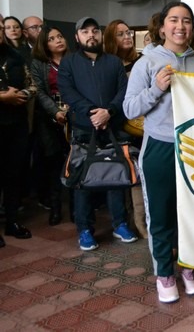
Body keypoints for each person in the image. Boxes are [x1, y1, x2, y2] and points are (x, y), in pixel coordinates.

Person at [124, 2, 194, 303]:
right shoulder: (146, 63)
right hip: (160, 148)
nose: (180, 26)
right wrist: (156, 89)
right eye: (174, 20)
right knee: (160, 214)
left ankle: (188, 268)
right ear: (162, 27)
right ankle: (164, 273)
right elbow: (129, 108)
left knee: (190, 214)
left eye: (186, 20)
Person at [57, 17, 138, 251]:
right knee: (83, 179)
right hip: (84, 129)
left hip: (112, 128)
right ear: (77, 37)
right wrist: (93, 113)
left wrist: (109, 112)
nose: (91, 35)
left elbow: (125, 91)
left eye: (95, 31)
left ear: (101, 36)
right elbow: (67, 92)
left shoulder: (113, 62)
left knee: (115, 177)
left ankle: (120, 224)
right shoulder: (69, 62)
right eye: (85, 31)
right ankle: (84, 230)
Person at [104, 19, 147, 238]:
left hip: (140, 126)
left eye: (128, 32)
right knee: (121, 177)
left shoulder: (142, 61)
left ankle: (141, 223)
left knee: (139, 176)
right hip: (117, 126)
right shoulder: (107, 65)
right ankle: (123, 221)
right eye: (120, 34)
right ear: (111, 39)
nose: (128, 36)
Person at [30, 27, 71, 225]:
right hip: (48, 118)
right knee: (54, 162)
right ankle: (55, 208)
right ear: (45, 44)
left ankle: (75, 208)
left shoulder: (74, 60)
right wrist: (55, 112)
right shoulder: (39, 64)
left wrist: (71, 108)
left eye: (60, 36)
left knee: (73, 162)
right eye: (52, 38)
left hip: (73, 115)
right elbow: (38, 91)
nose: (58, 40)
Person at [0, 38, 36, 246]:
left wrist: (21, 94)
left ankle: (12, 222)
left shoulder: (15, 56)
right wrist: (3, 97)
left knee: (13, 174)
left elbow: (32, 85)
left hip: (16, 124)